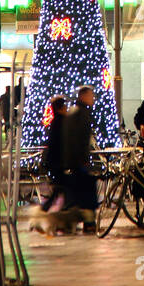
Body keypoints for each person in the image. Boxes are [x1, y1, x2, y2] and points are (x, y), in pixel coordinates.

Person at [61, 87, 99, 232]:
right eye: (91, 96)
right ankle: (88, 222)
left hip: (73, 159)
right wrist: (83, 158)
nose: (93, 98)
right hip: (79, 160)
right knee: (87, 190)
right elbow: (80, 138)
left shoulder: (74, 111)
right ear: (84, 96)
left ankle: (72, 221)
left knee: (76, 190)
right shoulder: (82, 113)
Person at [41, 96, 67, 210]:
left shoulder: (56, 121)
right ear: (60, 108)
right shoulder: (61, 122)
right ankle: (45, 210)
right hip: (58, 162)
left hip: (55, 162)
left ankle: (48, 210)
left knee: (60, 190)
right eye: (64, 106)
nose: (66, 108)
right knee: (61, 189)